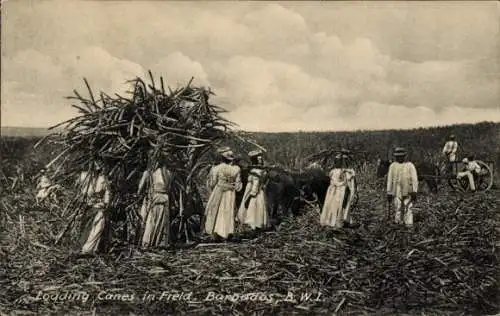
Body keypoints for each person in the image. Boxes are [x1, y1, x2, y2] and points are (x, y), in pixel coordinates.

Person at [204, 146, 243, 240]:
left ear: (221, 157)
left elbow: (213, 183)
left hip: (219, 190)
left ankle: (217, 233)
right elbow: (238, 186)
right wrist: (233, 187)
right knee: (228, 211)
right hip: (230, 192)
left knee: (216, 211)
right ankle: (227, 232)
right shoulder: (237, 169)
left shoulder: (216, 168)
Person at [137, 150, 173, 249]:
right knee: (163, 221)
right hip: (165, 198)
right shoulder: (169, 174)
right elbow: (169, 189)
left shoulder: (149, 173)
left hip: (153, 198)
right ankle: (160, 242)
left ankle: (147, 243)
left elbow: (140, 189)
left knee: (149, 221)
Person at [78, 162, 112, 256]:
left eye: (98, 171)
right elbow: (83, 193)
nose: (96, 172)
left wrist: (105, 204)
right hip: (89, 207)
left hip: (99, 207)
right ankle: (86, 248)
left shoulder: (102, 180)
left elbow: (107, 193)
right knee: (88, 227)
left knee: (98, 227)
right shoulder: (87, 179)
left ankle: (91, 249)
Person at [320, 151, 356, 229]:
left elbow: (349, 183)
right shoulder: (339, 171)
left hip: (337, 190)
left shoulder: (343, 172)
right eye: (337, 162)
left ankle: (336, 221)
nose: (338, 163)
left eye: (339, 162)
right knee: (334, 205)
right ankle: (333, 222)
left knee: (336, 206)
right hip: (336, 190)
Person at [386, 147, 418, 227]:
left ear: (404, 156)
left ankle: (408, 223)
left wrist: (415, 190)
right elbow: (390, 179)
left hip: (408, 189)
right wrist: (389, 191)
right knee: (397, 205)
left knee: (408, 205)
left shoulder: (410, 165)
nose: (400, 158)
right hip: (396, 189)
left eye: (401, 156)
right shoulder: (393, 166)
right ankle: (398, 221)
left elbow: (414, 179)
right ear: (395, 157)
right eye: (398, 156)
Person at [237, 150, 269, 231]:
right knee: (260, 207)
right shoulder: (263, 170)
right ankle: (258, 224)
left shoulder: (255, 171)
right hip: (261, 191)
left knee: (253, 208)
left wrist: (251, 195)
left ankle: (254, 226)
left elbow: (256, 183)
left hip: (253, 192)